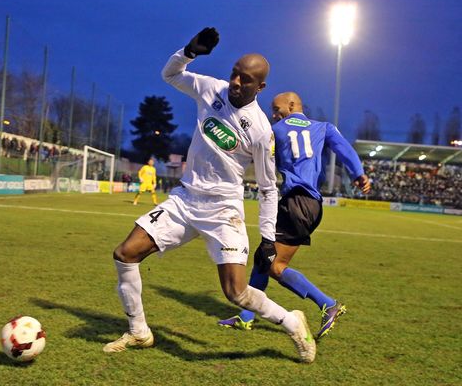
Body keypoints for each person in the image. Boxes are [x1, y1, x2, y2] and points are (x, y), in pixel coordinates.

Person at [103, 28, 316, 363]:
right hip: (185, 200)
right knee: (125, 253)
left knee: (236, 293)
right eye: (234, 73)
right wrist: (188, 51)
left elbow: (267, 187)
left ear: (259, 88)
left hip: (223, 211)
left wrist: (266, 238)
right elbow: (171, 74)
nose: (234, 82)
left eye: (245, 80)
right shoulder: (210, 89)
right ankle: (139, 331)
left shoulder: (261, 130)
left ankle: (291, 321)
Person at [218, 91, 371, 339]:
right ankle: (247, 317)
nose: (274, 114)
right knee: (262, 257)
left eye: (277, 109)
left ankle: (328, 304)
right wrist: (358, 173)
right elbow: (345, 150)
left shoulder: (275, 131)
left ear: (292, 105)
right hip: (308, 203)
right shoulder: (324, 127)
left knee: (276, 266)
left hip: (298, 202)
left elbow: (250, 152)